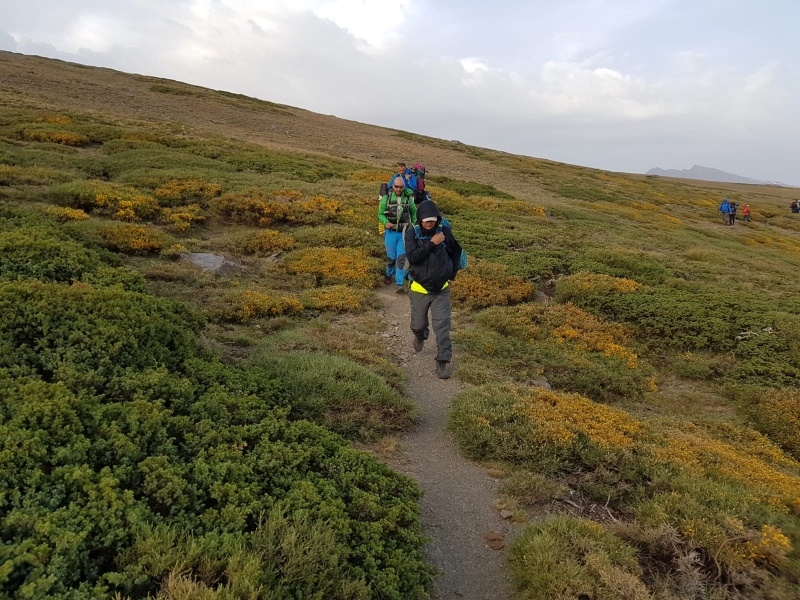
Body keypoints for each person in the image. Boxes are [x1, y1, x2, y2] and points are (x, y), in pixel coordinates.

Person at [404, 200, 463, 379]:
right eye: (426, 221)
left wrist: (452, 275)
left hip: (441, 290)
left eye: (433, 220)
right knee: (417, 325)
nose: (430, 223)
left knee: (443, 328)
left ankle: (442, 361)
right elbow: (413, 257)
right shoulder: (412, 233)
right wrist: (432, 243)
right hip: (419, 289)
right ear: (420, 220)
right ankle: (420, 335)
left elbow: (456, 252)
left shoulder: (444, 231)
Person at [378, 179, 417, 292]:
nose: (398, 189)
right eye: (396, 187)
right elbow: (380, 214)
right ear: (393, 186)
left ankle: (399, 284)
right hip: (390, 233)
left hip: (403, 234)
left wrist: (414, 225)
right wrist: (386, 222)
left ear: (403, 187)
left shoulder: (408, 199)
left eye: (401, 187)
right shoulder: (386, 198)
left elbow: (413, 212)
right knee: (391, 258)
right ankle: (388, 274)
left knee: (401, 258)